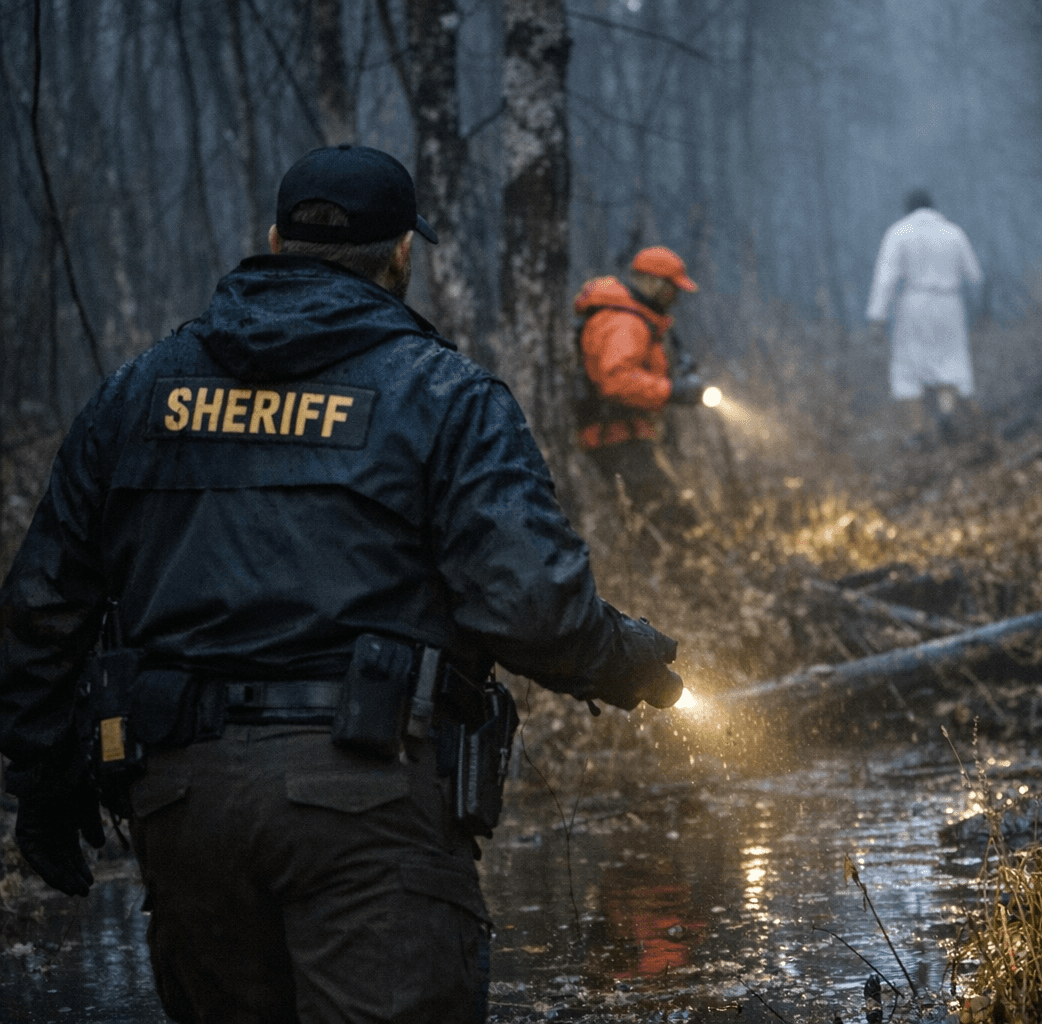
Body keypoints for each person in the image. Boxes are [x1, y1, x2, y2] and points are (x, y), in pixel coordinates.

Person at [0, 143, 684, 1024]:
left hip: (179, 806)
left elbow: (42, 606)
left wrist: (44, 785)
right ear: (402, 254)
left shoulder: (137, 393)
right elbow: (530, 606)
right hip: (370, 805)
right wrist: (626, 662)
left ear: (276, 237)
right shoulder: (445, 397)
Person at [574, 246, 705, 537]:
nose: (676, 298)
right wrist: (672, 391)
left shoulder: (638, 319)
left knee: (657, 519)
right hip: (616, 438)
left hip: (625, 436)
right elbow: (617, 381)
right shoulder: (625, 322)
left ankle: (663, 574)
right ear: (653, 283)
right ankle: (677, 575)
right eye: (673, 289)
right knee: (671, 520)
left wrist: (676, 371)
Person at [865, 188, 984, 447]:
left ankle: (917, 432)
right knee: (950, 361)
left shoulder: (899, 232)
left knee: (908, 368)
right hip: (949, 302)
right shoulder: (954, 232)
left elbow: (885, 278)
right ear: (933, 206)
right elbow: (974, 274)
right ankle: (946, 414)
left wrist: (877, 317)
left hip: (914, 302)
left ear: (908, 208)